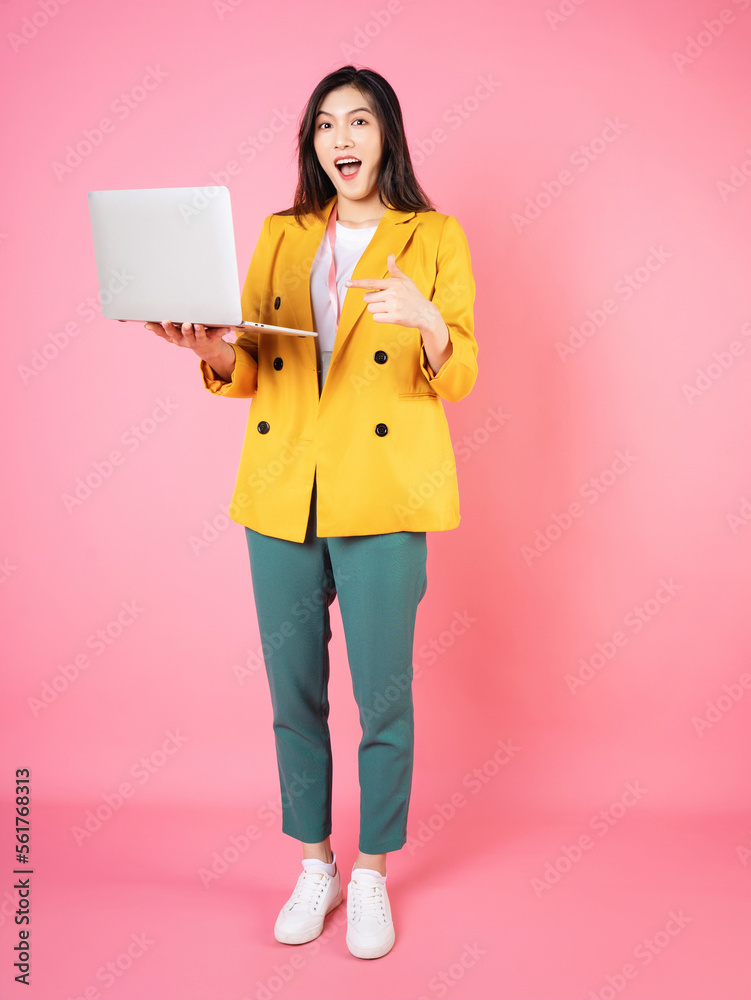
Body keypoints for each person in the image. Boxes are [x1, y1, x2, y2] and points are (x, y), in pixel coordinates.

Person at [144, 64, 477, 960]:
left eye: (359, 122)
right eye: (327, 124)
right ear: (312, 143)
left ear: (386, 136)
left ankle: (369, 873)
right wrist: (206, 345)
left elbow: (465, 370)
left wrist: (428, 323)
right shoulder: (282, 235)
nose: (342, 139)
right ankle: (315, 863)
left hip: (382, 496)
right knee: (293, 697)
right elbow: (252, 359)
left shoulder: (434, 236)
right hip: (283, 491)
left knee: (383, 701)